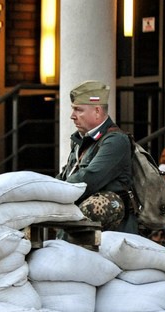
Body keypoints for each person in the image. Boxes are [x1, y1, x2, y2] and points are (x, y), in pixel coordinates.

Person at [56, 80, 137, 233]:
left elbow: (89, 179)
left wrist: (53, 191)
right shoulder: (81, 141)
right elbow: (66, 176)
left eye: (78, 110)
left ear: (97, 111)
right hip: (84, 231)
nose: (72, 116)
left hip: (110, 235)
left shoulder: (115, 141)